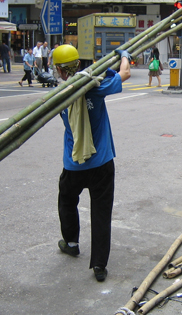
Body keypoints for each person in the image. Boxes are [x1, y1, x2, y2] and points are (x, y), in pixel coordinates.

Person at [53, 44, 131, 282]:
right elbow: (125, 73)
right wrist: (124, 55)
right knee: (101, 212)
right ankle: (99, 266)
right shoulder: (94, 86)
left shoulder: (59, 93)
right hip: (101, 163)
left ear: (59, 69)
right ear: (78, 64)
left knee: (67, 200)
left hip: (74, 162)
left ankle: (71, 242)